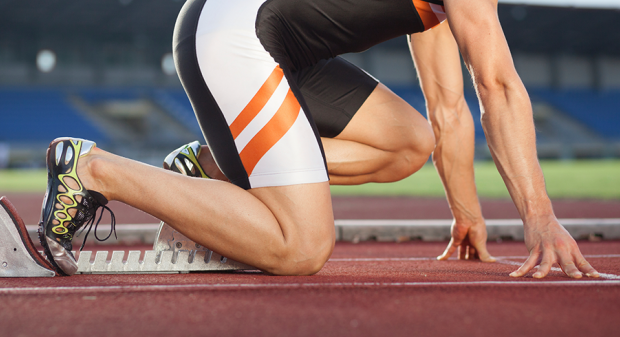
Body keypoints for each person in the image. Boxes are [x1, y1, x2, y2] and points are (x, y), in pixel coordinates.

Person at [39, 0, 598, 279]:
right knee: (301, 246)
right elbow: (496, 85)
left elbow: (447, 106)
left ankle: (212, 169)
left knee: (408, 141)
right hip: (238, 35)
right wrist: (540, 216)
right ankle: (95, 169)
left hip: (276, 46)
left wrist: (468, 215)